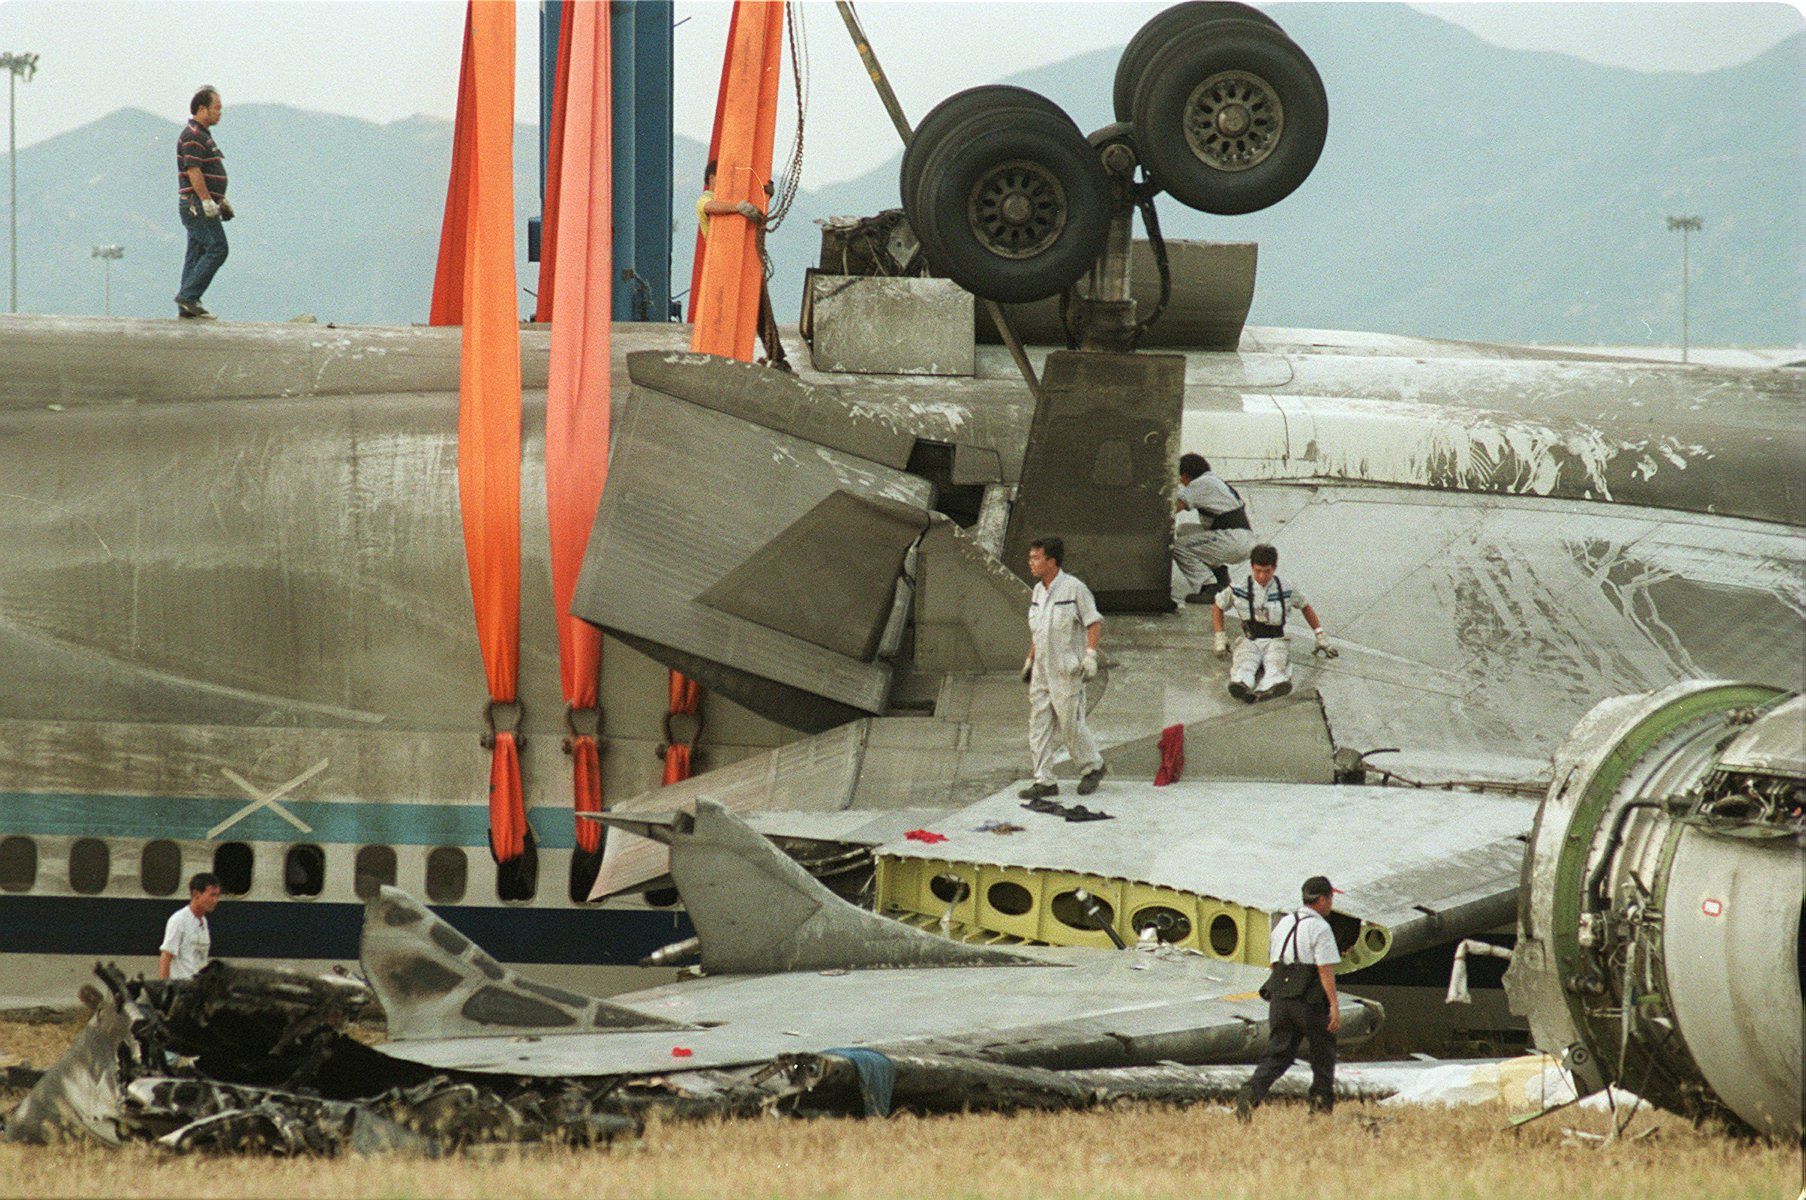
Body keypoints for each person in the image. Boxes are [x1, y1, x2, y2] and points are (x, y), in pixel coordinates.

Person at [1236, 874, 1343, 1119]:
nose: (1331, 904)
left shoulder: (1283, 923)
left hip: (1281, 1000)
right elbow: (1325, 970)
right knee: (1322, 1055)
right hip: (1310, 1001)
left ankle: (1252, 1092)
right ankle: (1320, 1109)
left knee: (1278, 1054)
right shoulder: (1320, 927)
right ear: (1323, 899)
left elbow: (1274, 964)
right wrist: (1334, 1006)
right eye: (1331, 898)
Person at [1019, 536, 1106, 799]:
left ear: (1052, 561)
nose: (1030, 562)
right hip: (1043, 670)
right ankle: (1044, 780)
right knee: (1039, 724)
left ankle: (1093, 767)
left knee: (1070, 724)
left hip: (1066, 670)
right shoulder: (1037, 592)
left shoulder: (1074, 589)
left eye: (1036, 558)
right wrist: (1030, 660)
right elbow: (1040, 630)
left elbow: (1093, 622)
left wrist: (1090, 656)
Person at [1210, 542, 1337, 702]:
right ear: (1252, 567)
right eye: (1258, 571)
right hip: (1250, 639)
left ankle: (1269, 689)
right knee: (1244, 665)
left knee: (1276, 666)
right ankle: (1242, 686)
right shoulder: (1239, 588)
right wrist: (1220, 636)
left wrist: (1320, 635)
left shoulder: (1286, 588)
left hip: (1275, 640)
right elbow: (1218, 606)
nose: (1262, 576)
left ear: (1274, 568)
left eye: (1267, 571)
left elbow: (1305, 607)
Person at [697, 160, 789, 370]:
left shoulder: (730, 199)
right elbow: (709, 207)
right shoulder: (707, 199)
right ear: (712, 179)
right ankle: (726, 355)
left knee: (761, 310)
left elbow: (756, 211)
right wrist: (737, 207)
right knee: (730, 314)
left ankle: (777, 356)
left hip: (744, 263)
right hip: (723, 267)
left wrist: (765, 195)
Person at [175, 86, 232, 320]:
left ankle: (187, 304)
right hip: (196, 205)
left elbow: (209, 172)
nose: (220, 113)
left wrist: (221, 200)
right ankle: (188, 296)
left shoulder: (203, 135)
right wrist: (207, 201)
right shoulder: (193, 135)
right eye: (216, 108)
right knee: (218, 248)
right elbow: (194, 170)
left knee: (196, 253)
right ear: (202, 109)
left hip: (200, 203)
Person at [1172, 453, 1254, 604]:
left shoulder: (1200, 483)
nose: (1181, 482)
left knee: (1178, 547)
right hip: (1240, 538)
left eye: (1180, 477)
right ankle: (1221, 577)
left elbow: (1173, 507)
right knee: (1183, 530)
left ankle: (1209, 586)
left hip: (1231, 540)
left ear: (1186, 474)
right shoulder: (1214, 481)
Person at [159, 872, 222, 980]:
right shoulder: (179, 920)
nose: (215, 901)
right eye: (212, 895)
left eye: (217, 895)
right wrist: (165, 987)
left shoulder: (203, 921)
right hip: (182, 987)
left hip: (197, 987)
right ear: (196, 894)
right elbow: (166, 956)